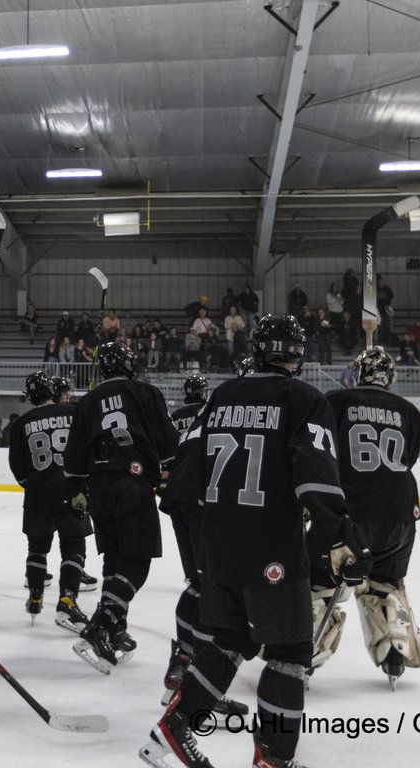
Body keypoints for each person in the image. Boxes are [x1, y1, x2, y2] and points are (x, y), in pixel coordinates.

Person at [139, 314, 366, 768]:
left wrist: (203, 536)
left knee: (229, 640)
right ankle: (273, 757)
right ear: (297, 356)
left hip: (218, 547)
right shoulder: (304, 399)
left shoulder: (222, 396)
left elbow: (181, 476)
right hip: (272, 551)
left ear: (258, 350)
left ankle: (173, 726)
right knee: (288, 656)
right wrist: (340, 540)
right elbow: (318, 480)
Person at [311, 347, 420, 686]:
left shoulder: (336, 402)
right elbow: (408, 459)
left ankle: (303, 653)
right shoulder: (410, 412)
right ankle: (394, 650)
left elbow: (321, 451)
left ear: (357, 373)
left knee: (319, 583)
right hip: (401, 514)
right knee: (384, 582)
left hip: (351, 513)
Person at [65, 341, 178, 673]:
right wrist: (171, 474)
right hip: (133, 481)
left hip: (98, 486)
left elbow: (73, 455)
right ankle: (100, 625)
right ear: (131, 365)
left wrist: (75, 489)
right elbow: (169, 443)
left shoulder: (87, 401)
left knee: (115, 559)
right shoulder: (146, 392)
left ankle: (116, 629)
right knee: (136, 561)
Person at [158, 374, 249, 717]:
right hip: (205, 497)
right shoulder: (252, 404)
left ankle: (183, 662)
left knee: (200, 584)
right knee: (218, 592)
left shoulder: (213, 405)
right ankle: (198, 683)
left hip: (181, 495)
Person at [9, 371, 93, 633]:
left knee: (37, 547)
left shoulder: (21, 422)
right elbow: (87, 449)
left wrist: (34, 485)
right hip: (71, 489)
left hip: (37, 494)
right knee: (73, 546)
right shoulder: (72, 413)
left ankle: (35, 595)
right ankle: (67, 601)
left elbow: (18, 467)